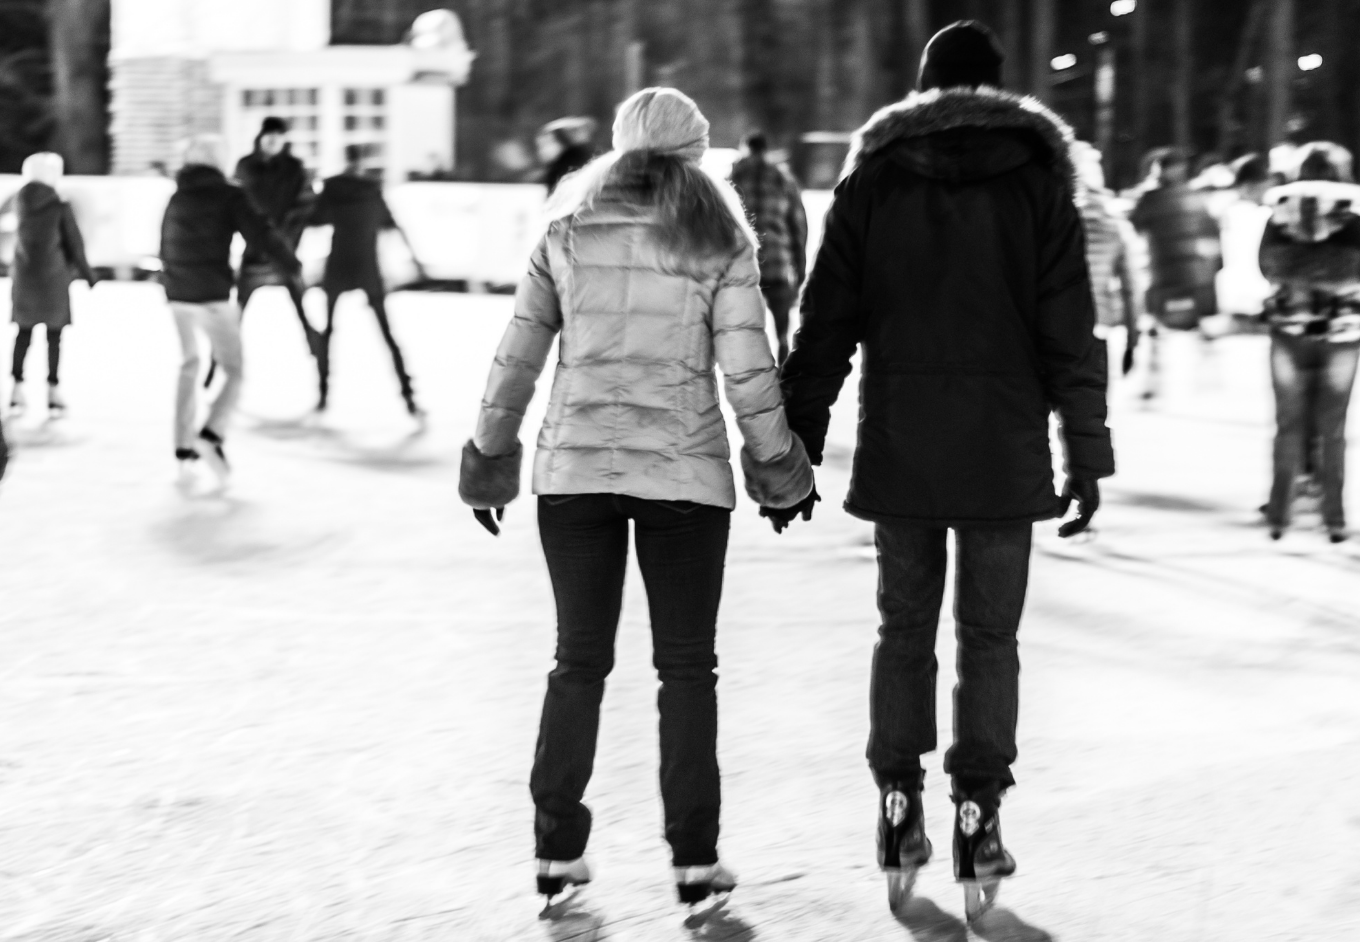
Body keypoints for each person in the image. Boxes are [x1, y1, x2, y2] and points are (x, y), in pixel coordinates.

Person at [776, 21, 1114, 920]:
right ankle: (978, 815)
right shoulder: (1039, 185)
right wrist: (1087, 451)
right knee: (990, 639)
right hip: (1003, 445)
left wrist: (794, 442)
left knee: (904, 629)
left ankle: (897, 804)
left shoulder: (874, 179)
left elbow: (825, 321)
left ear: (925, 90)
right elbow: (1070, 330)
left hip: (904, 441)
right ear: (996, 89)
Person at [458, 87, 815, 913]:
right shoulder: (720, 239)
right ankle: (695, 860)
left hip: (574, 474)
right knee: (687, 669)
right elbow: (748, 372)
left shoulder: (566, 231)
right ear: (696, 154)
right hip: (684, 479)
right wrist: (779, 469)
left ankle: (556, 850)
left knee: (577, 661)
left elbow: (518, 354)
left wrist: (490, 454)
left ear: (618, 149)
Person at [160, 135, 300, 486]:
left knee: (189, 365)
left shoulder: (178, 196)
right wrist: (290, 263)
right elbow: (260, 233)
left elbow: (165, 244)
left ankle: (183, 449)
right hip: (211, 293)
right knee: (233, 369)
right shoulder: (229, 195)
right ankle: (210, 434)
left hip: (177, 293)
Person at [1258, 142, 1360, 544]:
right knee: (1332, 429)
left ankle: (1279, 516)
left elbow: (1266, 267)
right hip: (1342, 333)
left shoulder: (1280, 213)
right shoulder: (1354, 216)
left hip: (1289, 331)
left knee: (1288, 426)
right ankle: (1333, 519)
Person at [307, 145, 422, 419]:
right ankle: (408, 396)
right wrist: (415, 259)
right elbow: (391, 223)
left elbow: (316, 219)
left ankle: (322, 392)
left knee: (329, 330)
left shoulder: (331, 187)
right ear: (361, 162)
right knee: (386, 332)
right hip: (366, 265)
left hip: (339, 262)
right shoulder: (371, 188)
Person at [1130, 148, 1223, 398]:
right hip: (1191, 274)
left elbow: (1135, 227)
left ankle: (1154, 383)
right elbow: (1212, 233)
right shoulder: (1194, 196)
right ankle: (1209, 376)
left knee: (1157, 328)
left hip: (1165, 273)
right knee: (1191, 324)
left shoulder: (1150, 198)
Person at [8, 152, 96, 417]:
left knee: (23, 334)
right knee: (54, 337)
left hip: (24, 278)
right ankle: (53, 391)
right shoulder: (59, 206)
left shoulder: (20, 202)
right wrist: (89, 276)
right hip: (53, 280)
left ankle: (16, 389)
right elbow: (74, 244)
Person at [233, 117, 321, 355]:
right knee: (240, 304)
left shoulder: (294, 168)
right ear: (261, 138)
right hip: (254, 247)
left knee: (299, 301)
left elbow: (307, 204)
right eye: (269, 136)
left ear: (283, 140)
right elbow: (234, 202)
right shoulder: (246, 166)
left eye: (277, 137)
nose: (273, 141)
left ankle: (316, 347)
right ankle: (223, 352)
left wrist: (287, 235)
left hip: (284, 246)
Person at [728, 130, 809, 365]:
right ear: (766, 150)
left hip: (742, 267)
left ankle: (751, 372)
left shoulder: (733, 177)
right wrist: (800, 267)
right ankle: (782, 371)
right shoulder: (783, 179)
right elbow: (798, 226)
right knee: (782, 332)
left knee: (745, 332)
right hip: (777, 264)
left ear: (745, 148)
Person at [1072, 141, 1138, 376]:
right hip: (1099, 325)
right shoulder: (1114, 222)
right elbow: (1131, 289)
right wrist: (1132, 343)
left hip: (1056, 328)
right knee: (1093, 395)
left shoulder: (1053, 217)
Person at [537, 118, 596, 194]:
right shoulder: (583, 161)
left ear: (561, 142)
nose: (541, 151)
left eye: (546, 144)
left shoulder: (565, 169)